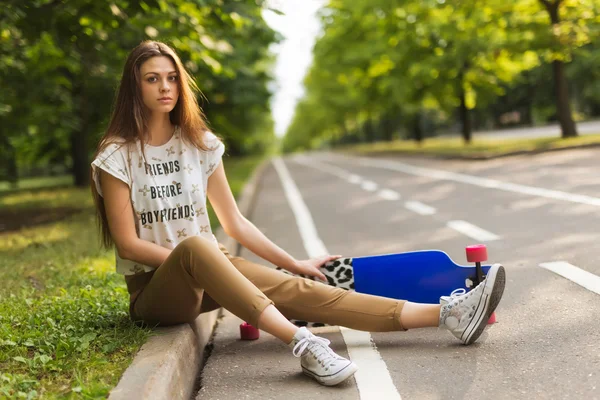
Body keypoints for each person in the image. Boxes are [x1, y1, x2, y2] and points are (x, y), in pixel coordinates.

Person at [90, 41, 506, 387]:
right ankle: (303, 345)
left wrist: (293, 264)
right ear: (134, 88)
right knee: (200, 246)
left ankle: (448, 314)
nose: (166, 87)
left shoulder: (199, 145)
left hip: (208, 267)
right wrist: (200, 260)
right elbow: (128, 244)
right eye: (152, 79)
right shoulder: (117, 156)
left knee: (303, 290)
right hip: (157, 293)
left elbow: (235, 222)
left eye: (172, 78)